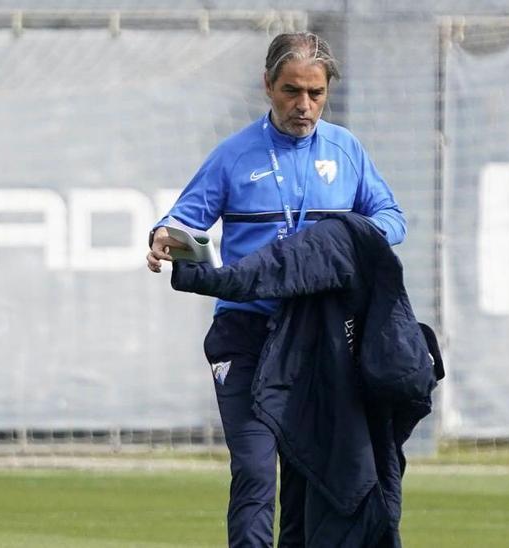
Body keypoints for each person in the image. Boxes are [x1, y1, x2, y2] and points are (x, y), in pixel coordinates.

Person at [146, 32, 406, 548]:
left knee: (308, 477)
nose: (303, 106)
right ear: (267, 86)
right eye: (291, 91)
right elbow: (182, 219)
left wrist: (343, 239)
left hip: (318, 338)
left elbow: (392, 219)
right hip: (245, 332)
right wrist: (163, 236)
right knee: (255, 469)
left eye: (315, 93)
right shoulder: (233, 154)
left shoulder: (347, 150)